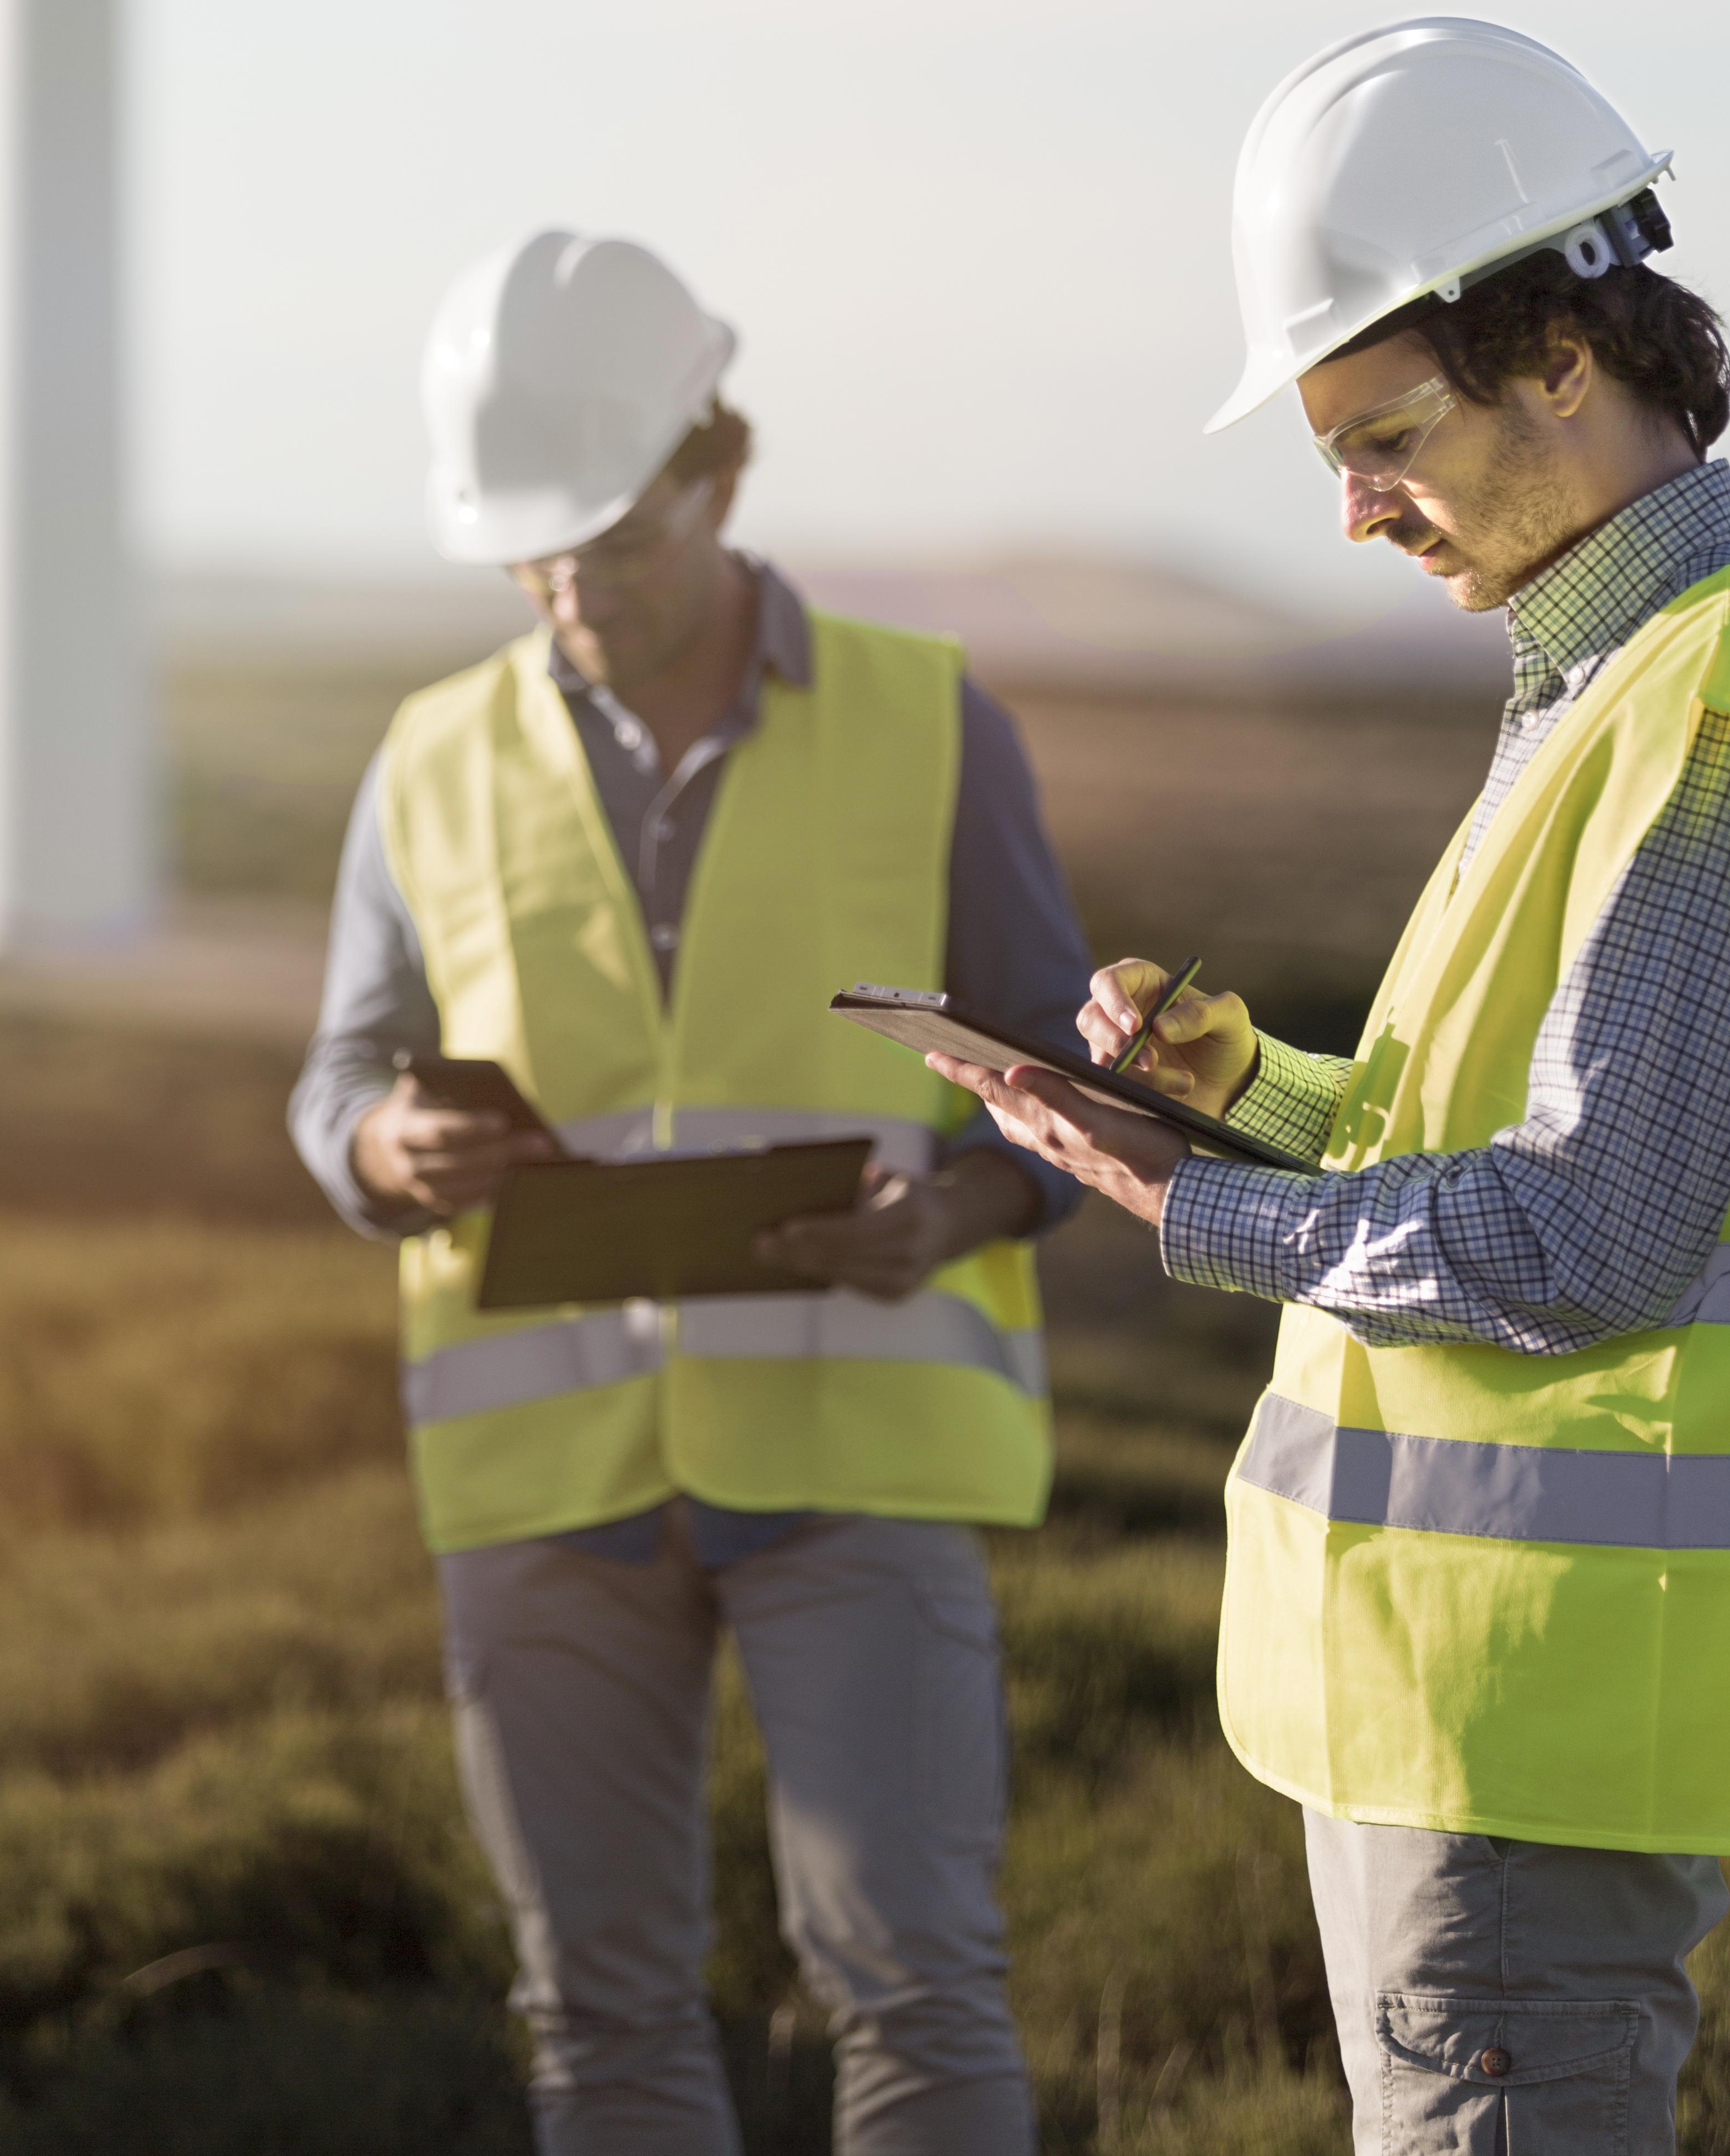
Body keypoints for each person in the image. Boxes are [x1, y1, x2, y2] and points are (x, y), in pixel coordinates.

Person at [931, 19, 1730, 2156]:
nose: (1360, 510)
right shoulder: (1608, 685)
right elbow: (1521, 1156)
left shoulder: (1712, 716)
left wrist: (1180, 1210)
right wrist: (1249, 1095)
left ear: (1563, 351)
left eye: (1385, 436)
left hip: (1528, 1727)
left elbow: (1586, 1242)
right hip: (1450, 1709)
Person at [290, 227, 1088, 2156]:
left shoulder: (930, 719)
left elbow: (1060, 1093)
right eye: (533, 554)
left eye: (618, 542)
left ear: (717, 476)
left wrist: (953, 1218)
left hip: (858, 1460)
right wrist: (387, 1152)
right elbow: (339, 1078)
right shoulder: (424, 760)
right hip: (547, 1486)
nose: (576, 592)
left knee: (913, 1986)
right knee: (599, 2019)